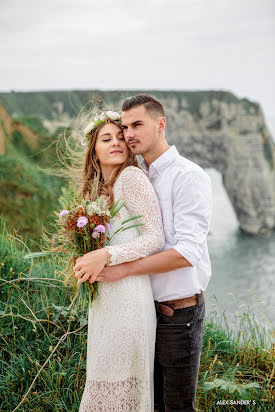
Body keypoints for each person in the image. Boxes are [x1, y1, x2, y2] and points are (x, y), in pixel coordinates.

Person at [87, 95, 213, 411]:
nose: (128, 134)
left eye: (136, 125)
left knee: (176, 406)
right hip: (144, 310)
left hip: (177, 313)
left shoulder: (187, 175)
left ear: (160, 124)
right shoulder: (140, 172)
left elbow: (186, 252)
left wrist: (121, 267)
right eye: (124, 126)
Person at [73, 110, 165, 412]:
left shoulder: (131, 178)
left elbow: (155, 238)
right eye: (106, 138)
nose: (116, 142)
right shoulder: (100, 190)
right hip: (104, 302)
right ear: (94, 151)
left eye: (120, 137)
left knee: (123, 386)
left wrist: (106, 255)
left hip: (129, 300)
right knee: (103, 380)